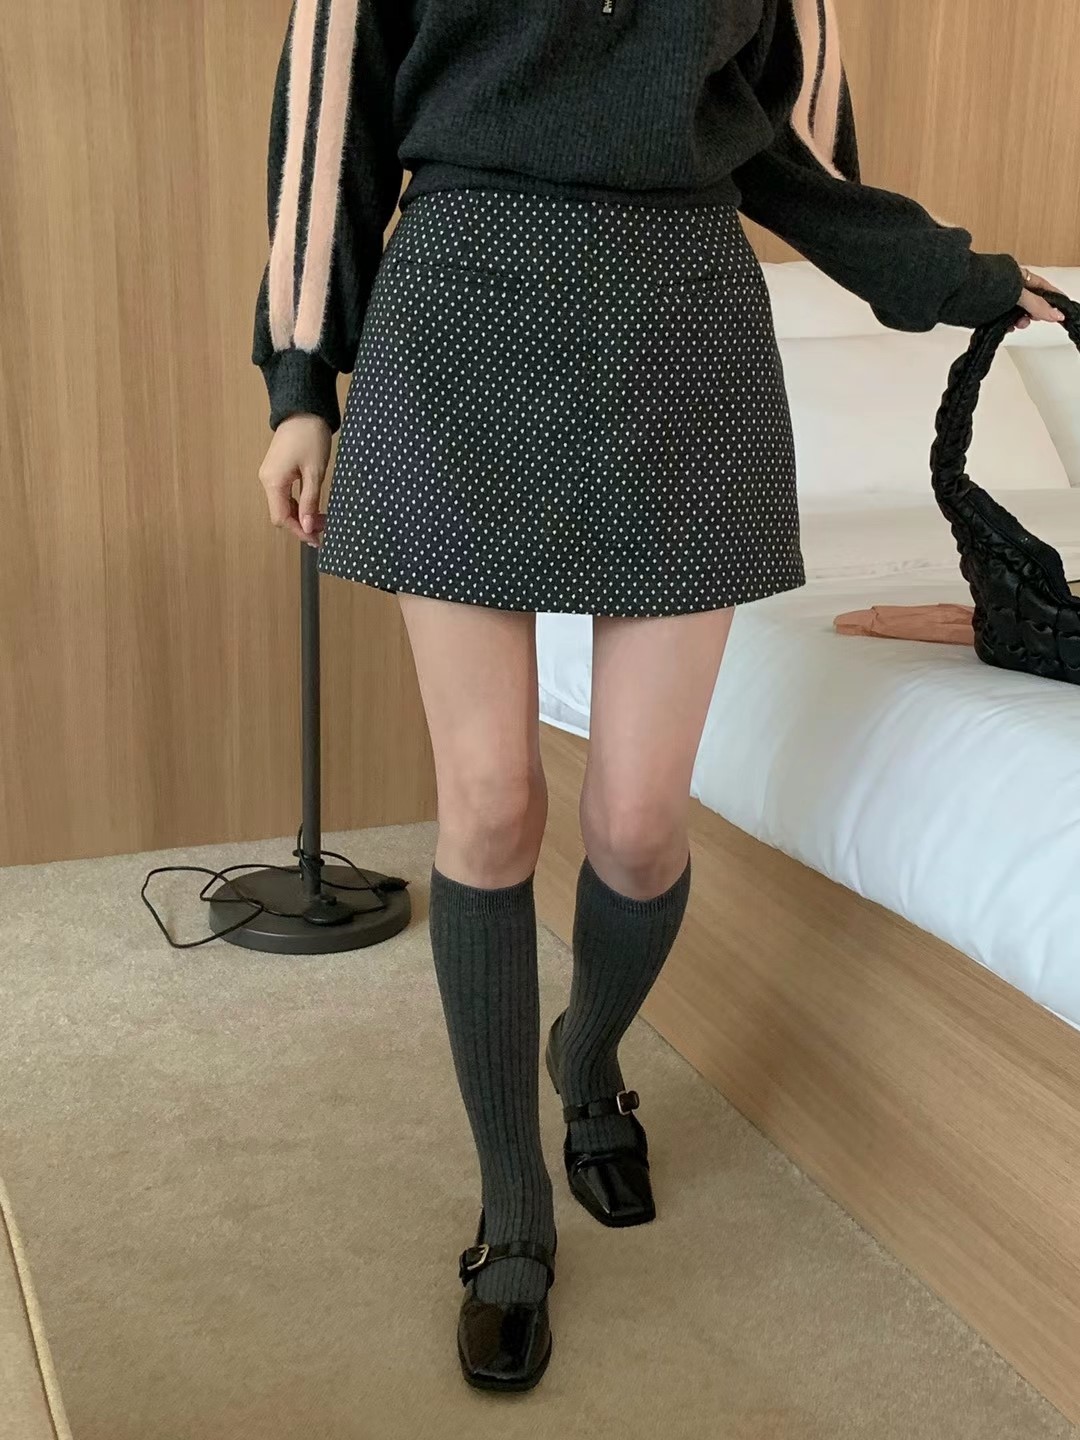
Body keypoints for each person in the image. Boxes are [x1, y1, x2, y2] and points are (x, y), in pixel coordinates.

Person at [253, 0, 1064, 1394]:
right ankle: (513, 1207)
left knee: (635, 826)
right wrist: (299, 386)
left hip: (682, 332)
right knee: (492, 805)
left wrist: (961, 276)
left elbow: (793, 154)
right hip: (457, 319)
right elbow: (335, 126)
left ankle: (588, 1055)